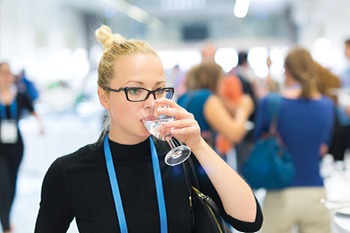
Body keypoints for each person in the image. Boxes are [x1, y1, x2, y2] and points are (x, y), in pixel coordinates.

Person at [34, 25, 263, 233]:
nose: (152, 103)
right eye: (135, 90)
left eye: (159, 89)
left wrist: (198, 145)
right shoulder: (69, 172)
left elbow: (249, 219)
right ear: (104, 97)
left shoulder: (180, 159)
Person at [255, 47, 334, 233]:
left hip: (280, 192)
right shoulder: (326, 105)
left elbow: (258, 138)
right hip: (315, 192)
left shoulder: (271, 103)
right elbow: (323, 146)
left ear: (287, 70)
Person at [0, 62, 44, 233]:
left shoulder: (19, 94)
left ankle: (7, 218)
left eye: (8, 73)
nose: (5, 77)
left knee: (12, 183)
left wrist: (41, 125)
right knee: (2, 184)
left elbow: (33, 110)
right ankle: (6, 225)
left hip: (16, 145)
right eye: (2, 73)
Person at [177, 61, 254, 156]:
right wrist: (244, 109)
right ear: (215, 80)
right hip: (200, 160)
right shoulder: (207, 98)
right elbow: (235, 135)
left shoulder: (185, 96)